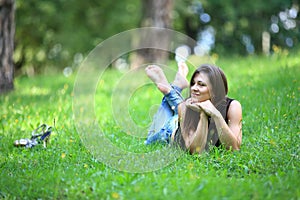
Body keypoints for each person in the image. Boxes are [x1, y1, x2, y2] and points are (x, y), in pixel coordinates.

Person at [145, 62, 242, 154]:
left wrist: (215, 114)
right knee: (150, 139)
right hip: (170, 129)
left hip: (186, 113)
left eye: (201, 84)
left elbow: (234, 148)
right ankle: (172, 88)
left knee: (182, 105)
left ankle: (172, 88)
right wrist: (202, 113)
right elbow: (196, 151)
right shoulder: (183, 107)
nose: (193, 88)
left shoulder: (232, 106)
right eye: (193, 83)